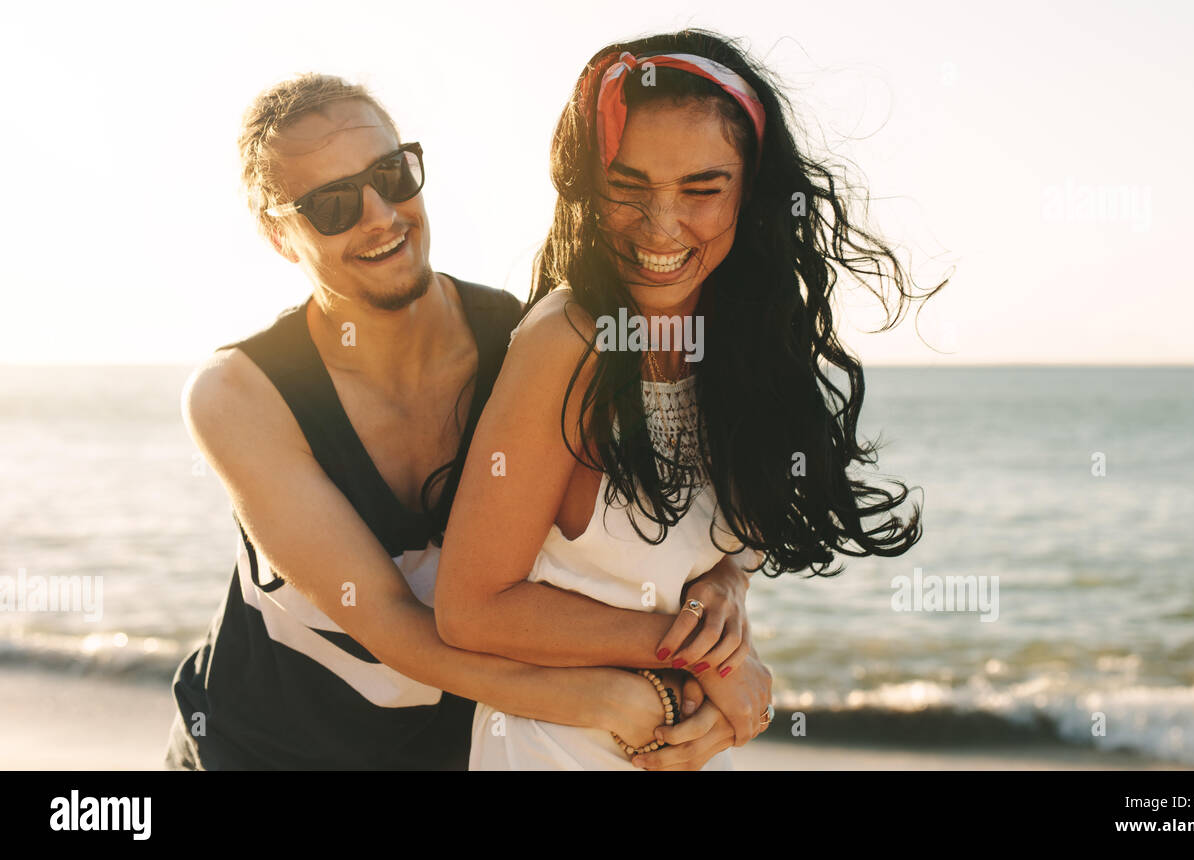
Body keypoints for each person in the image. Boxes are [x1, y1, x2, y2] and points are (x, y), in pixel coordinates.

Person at [164, 73, 755, 770]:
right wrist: (601, 699)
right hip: (263, 748)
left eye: (393, 173)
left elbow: (630, 537)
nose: (381, 215)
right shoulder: (238, 394)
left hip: (452, 751)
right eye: (332, 204)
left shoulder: (520, 336)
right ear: (278, 235)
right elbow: (397, 627)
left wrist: (724, 589)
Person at [435, 30, 933, 770]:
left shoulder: (743, 343)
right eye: (628, 189)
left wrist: (729, 583)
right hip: (553, 745)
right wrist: (714, 663)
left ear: (750, 189)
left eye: (702, 189)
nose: (662, 227)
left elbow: (718, 545)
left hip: (683, 741)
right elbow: (471, 607)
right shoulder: (571, 341)